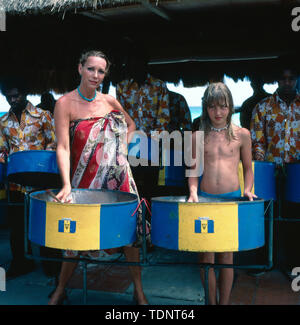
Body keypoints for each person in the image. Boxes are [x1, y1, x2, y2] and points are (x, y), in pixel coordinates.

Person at [48, 50, 149, 305]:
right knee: (75, 237)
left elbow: (132, 126)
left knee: (129, 234)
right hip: (83, 180)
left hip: (119, 176)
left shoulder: (110, 102)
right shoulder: (64, 104)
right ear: (80, 68)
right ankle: (60, 290)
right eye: (91, 69)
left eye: (101, 71)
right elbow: (62, 147)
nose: (96, 75)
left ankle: (139, 291)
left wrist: (121, 151)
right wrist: (66, 185)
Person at [188, 82, 256, 305]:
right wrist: (193, 192)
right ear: (205, 108)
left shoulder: (242, 135)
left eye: (223, 107)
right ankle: (210, 302)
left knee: (227, 257)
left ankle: (224, 303)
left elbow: (247, 167)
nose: (218, 112)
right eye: (212, 107)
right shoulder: (198, 135)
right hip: (205, 200)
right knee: (206, 258)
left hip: (231, 200)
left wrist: (247, 189)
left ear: (231, 107)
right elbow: (193, 169)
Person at [0, 78, 57, 278]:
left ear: (25, 93)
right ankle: (21, 263)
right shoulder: (3, 122)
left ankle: (51, 264)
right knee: (17, 226)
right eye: (9, 97)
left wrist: (39, 160)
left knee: (44, 222)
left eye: (17, 95)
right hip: (16, 183)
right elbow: (2, 150)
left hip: (42, 181)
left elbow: (55, 142)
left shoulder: (43, 116)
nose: (13, 99)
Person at [250, 62, 300, 276]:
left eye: (291, 78)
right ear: (277, 80)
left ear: (296, 79)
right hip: (269, 172)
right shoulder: (263, 107)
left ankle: (292, 264)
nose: (287, 82)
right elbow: (257, 141)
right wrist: (263, 162)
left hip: (297, 173)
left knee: (294, 218)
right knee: (266, 216)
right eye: (283, 78)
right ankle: (264, 261)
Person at [116, 50, 170, 210]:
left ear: (145, 63)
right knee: (129, 187)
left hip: (151, 146)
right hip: (128, 145)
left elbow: (164, 119)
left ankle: (147, 224)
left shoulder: (158, 86)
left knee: (150, 188)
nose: (133, 66)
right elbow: (118, 118)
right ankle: (133, 221)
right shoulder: (122, 87)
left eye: (137, 62)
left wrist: (149, 140)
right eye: (130, 63)